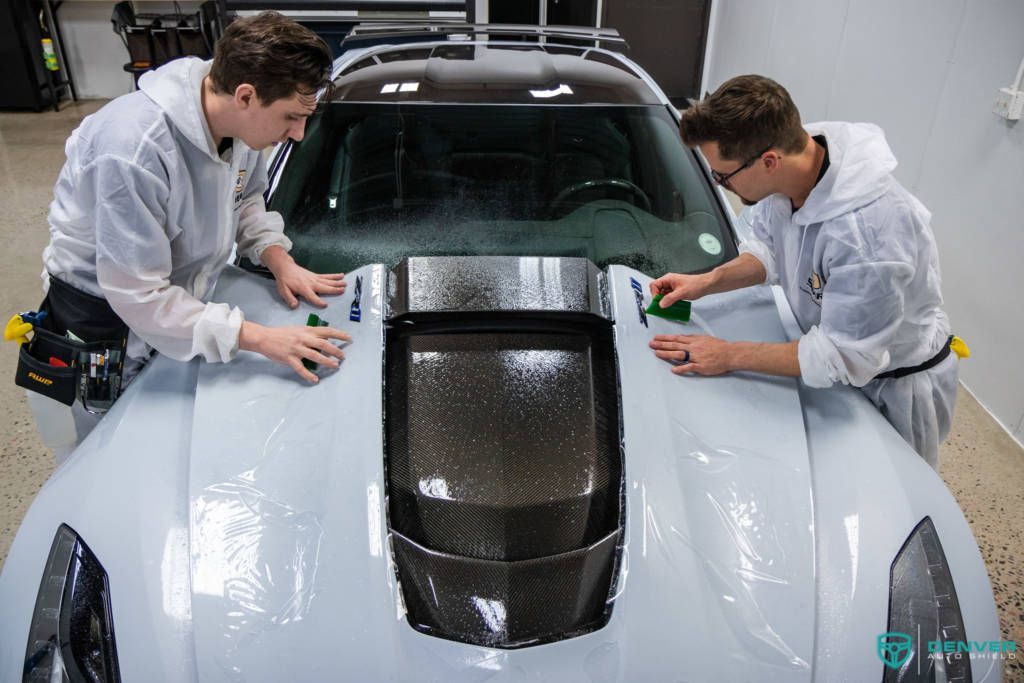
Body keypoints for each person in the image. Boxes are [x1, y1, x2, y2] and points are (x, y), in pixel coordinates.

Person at [32, 11, 350, 460]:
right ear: (246, 95)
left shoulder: (241, 127)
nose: (296, 134)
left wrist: (278, 258)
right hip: (106, 323)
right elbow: (138, 293)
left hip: (179, 305)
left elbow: (245, 198)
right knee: (112, 456)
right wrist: (260, 338)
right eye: (291, 118)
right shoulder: (133, 151)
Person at [649, 74, 960, 468]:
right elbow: (769, 251)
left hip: (892, 386)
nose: (720, 184)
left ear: (769, 161)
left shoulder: (868, 235)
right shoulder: (794, 167)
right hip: (834, 361)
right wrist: (707, 282)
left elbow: (843, 357)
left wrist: (726, 354)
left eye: (722, 176)